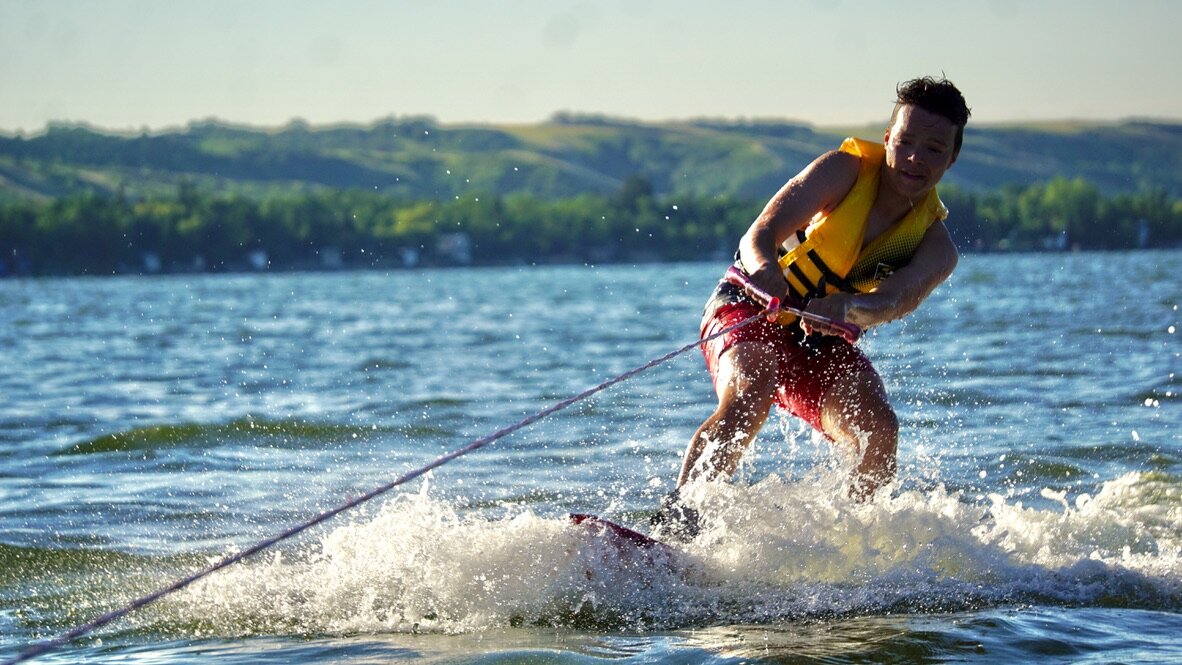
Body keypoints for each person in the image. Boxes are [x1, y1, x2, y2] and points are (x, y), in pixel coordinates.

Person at [653, 77, 971, 540]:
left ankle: (853, 545)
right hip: (748, 307)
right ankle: (677, 529)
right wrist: (764, 269)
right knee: (751, 390)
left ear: (952, 158)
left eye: (934, 149)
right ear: (887, 140)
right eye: (905, 142)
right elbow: (758, 234)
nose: (915, 158)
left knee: (879, 428)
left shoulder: (937, 248)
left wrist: (852, 309)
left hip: (817, 337)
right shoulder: (842, 171)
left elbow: (893, 301)